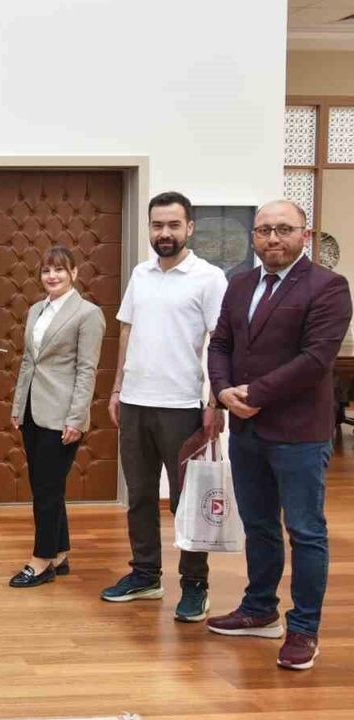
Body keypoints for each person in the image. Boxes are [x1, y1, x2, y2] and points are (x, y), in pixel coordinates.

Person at [206, 200, 352, 671]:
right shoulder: (239, 284)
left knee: (305, 532)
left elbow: (315, 359)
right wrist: (223, 391)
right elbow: (220, 344)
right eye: (264, 229)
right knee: (259, 525)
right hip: (247, 428)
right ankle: (259, 609)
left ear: (304, 235)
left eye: (284, 229)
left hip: (299, 433)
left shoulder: (328, 287)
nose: (273, 238)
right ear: (254, 236)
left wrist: (255, 393)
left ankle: (304, 629)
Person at [100, 191, 227, 623]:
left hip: (182, 406)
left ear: (189, 227)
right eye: (157, 225)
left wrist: (215, 400)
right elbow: (126, 332)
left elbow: (221, 342)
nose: (165, 233)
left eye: (173, 225)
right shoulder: (141, 274)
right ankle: (145, 575)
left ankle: (195, 585)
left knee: (185, 501)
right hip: (135, 403)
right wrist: (117, 389)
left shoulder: (209, 278)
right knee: (138, 497)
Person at [8, 246, 105, 587]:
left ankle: (41, 560)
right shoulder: (36, 309)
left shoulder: (88, 314)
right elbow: (28, 362)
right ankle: (60, 552)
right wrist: (18, 406)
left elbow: (87, 370)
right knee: (44, 485)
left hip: (62, 414)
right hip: (32, 411)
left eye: (60, 270)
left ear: (74, 273)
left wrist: (76, 418)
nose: (52, 276)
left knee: (47, 489)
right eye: (47, 270)